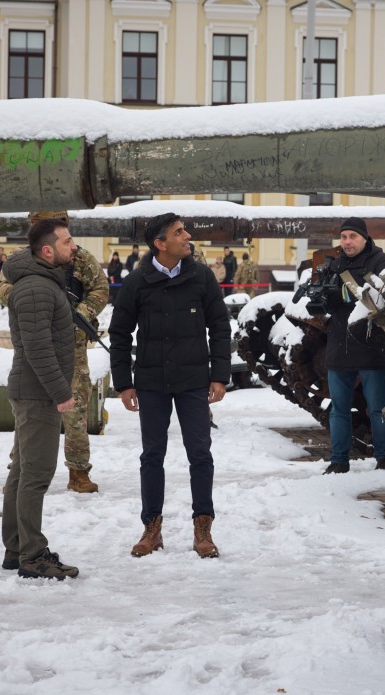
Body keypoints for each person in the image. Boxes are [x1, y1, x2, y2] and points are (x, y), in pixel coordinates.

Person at [109, 212, 231, 559]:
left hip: (193, 382)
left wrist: (219, 376)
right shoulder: (138, 281)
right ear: (160, 244)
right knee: (151, 456)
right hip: (151, 383)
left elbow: (220, 327)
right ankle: (152, 528)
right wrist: (124, 384)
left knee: (200, 454)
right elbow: (119, 334)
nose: (187, 236)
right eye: (179, 232)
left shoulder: (201, 277)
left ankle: (202, 528)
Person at [0, 211, 109, 493]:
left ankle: (78, 471)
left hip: (72, 342)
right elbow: (1, 289)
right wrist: (36, 301)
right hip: (34, 337)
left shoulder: (80, 258)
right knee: (30, 411)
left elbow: (100, 288)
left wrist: (77, 314)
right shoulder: (20, 261)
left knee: (76, 410)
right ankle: (20, 469)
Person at [0, 217, 79, 580]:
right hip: (38, 394)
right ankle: (32, 555)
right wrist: (61, 393)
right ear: (47, 250)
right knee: (36, 474)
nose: (73, 246)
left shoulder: (43, 282)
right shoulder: (35, 288)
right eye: (66, 242)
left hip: (35, 391)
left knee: (22, 472)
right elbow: (37, 347)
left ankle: (17, 548)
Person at [318, 217, 385, 474]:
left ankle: (384, 458)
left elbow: (384, 298)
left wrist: (344, 292)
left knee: (376, 408)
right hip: (339, 345)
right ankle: (339, 460)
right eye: (343, 237)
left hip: (371, 345)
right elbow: (329, 308)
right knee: (338, 410)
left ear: (364, 238)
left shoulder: (381, 262)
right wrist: (324, 296)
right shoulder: (335, 264)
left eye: (352, 236)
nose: (347, 242)